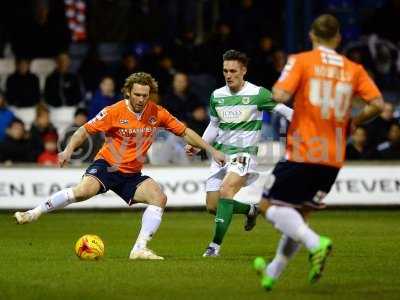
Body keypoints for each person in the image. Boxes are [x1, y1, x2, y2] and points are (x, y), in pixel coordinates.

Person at [14, 72, 225, 260]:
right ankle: (34, 213)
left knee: (159, 198)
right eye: (137, 95)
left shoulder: (157, 112)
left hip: (132, 174)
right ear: (128, 93)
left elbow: (185, 132)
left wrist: (211, 150)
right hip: (108, 166)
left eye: (145, 95)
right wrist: (68, 150)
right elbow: (84, 130)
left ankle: (139, 249)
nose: (142, 99)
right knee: (82, 192)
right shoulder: (113, 111)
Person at [252, 14, 384, 291]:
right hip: (333, 157)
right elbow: (378, 104)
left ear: (312, 35)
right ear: (338, 39)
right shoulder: (354, 69)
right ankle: (273, 272)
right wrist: (354, 122)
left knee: (267, 206)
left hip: (303, 150)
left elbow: (279, 94)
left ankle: (316, 244)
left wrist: (280, 89)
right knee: (297, 216)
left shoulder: (301, 61)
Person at [186, 50, 293, 257]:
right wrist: (200, 145)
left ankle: (214, 246)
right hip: (220, 155)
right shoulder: (217, 95)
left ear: (243, 71)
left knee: (227, 191)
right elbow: (214, 125)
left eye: (233, 71)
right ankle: (251, 210)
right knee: (212, 206)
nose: (228, 75)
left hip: (244, 154)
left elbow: (286, 112)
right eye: (225, 70)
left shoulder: (257, 94)